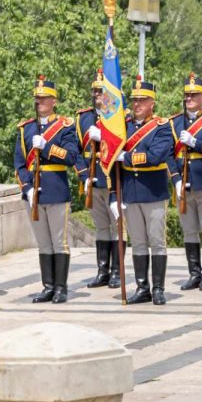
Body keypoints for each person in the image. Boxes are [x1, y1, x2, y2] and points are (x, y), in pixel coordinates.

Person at [14, 76, 79, 304]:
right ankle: (48, 286)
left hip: (56, 189)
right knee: (43, 242)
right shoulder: (25, 129)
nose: (39, 101)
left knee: (58, 241)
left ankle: (61, 288)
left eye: (44, 98)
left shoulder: (65, 127)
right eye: (37, 98)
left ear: (54, 101)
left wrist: (48, 147)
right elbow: (20, 164)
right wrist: (28, 187)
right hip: (35, 192)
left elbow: (72, 157)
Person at [109, 77, 174, 306]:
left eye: (142, 100)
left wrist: (126, 157)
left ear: (152, 103)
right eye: (135, 100)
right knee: (137, 241)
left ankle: (158, 288)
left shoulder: (163, 127)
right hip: (131, 192)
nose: (137, 104)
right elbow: (112, 164)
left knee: (156, 241)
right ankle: (142, 287)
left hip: (153, 192)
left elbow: (156, 156)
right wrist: (114, 196)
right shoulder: (122, 126)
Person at [170, 73, 202, 292]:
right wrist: (175, 180)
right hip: (184, 183)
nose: (189, 98)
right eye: (187, 95)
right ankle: (194, 273)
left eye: (194, 95)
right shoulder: (174, 122)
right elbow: (167, 154)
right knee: (189, 230)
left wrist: (196, 143)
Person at [77, 71, 121, 289]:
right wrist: (84, 176)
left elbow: (120, 146)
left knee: (117, 227)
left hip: (113, 179)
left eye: (101, 91)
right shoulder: (82, 118)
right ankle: (102, 271)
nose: (97, 94)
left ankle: (117, 272)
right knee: (101, 227)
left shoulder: (118, 116)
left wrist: (102, 136)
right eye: (94, 90)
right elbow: (76, 152)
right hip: (93, 179)